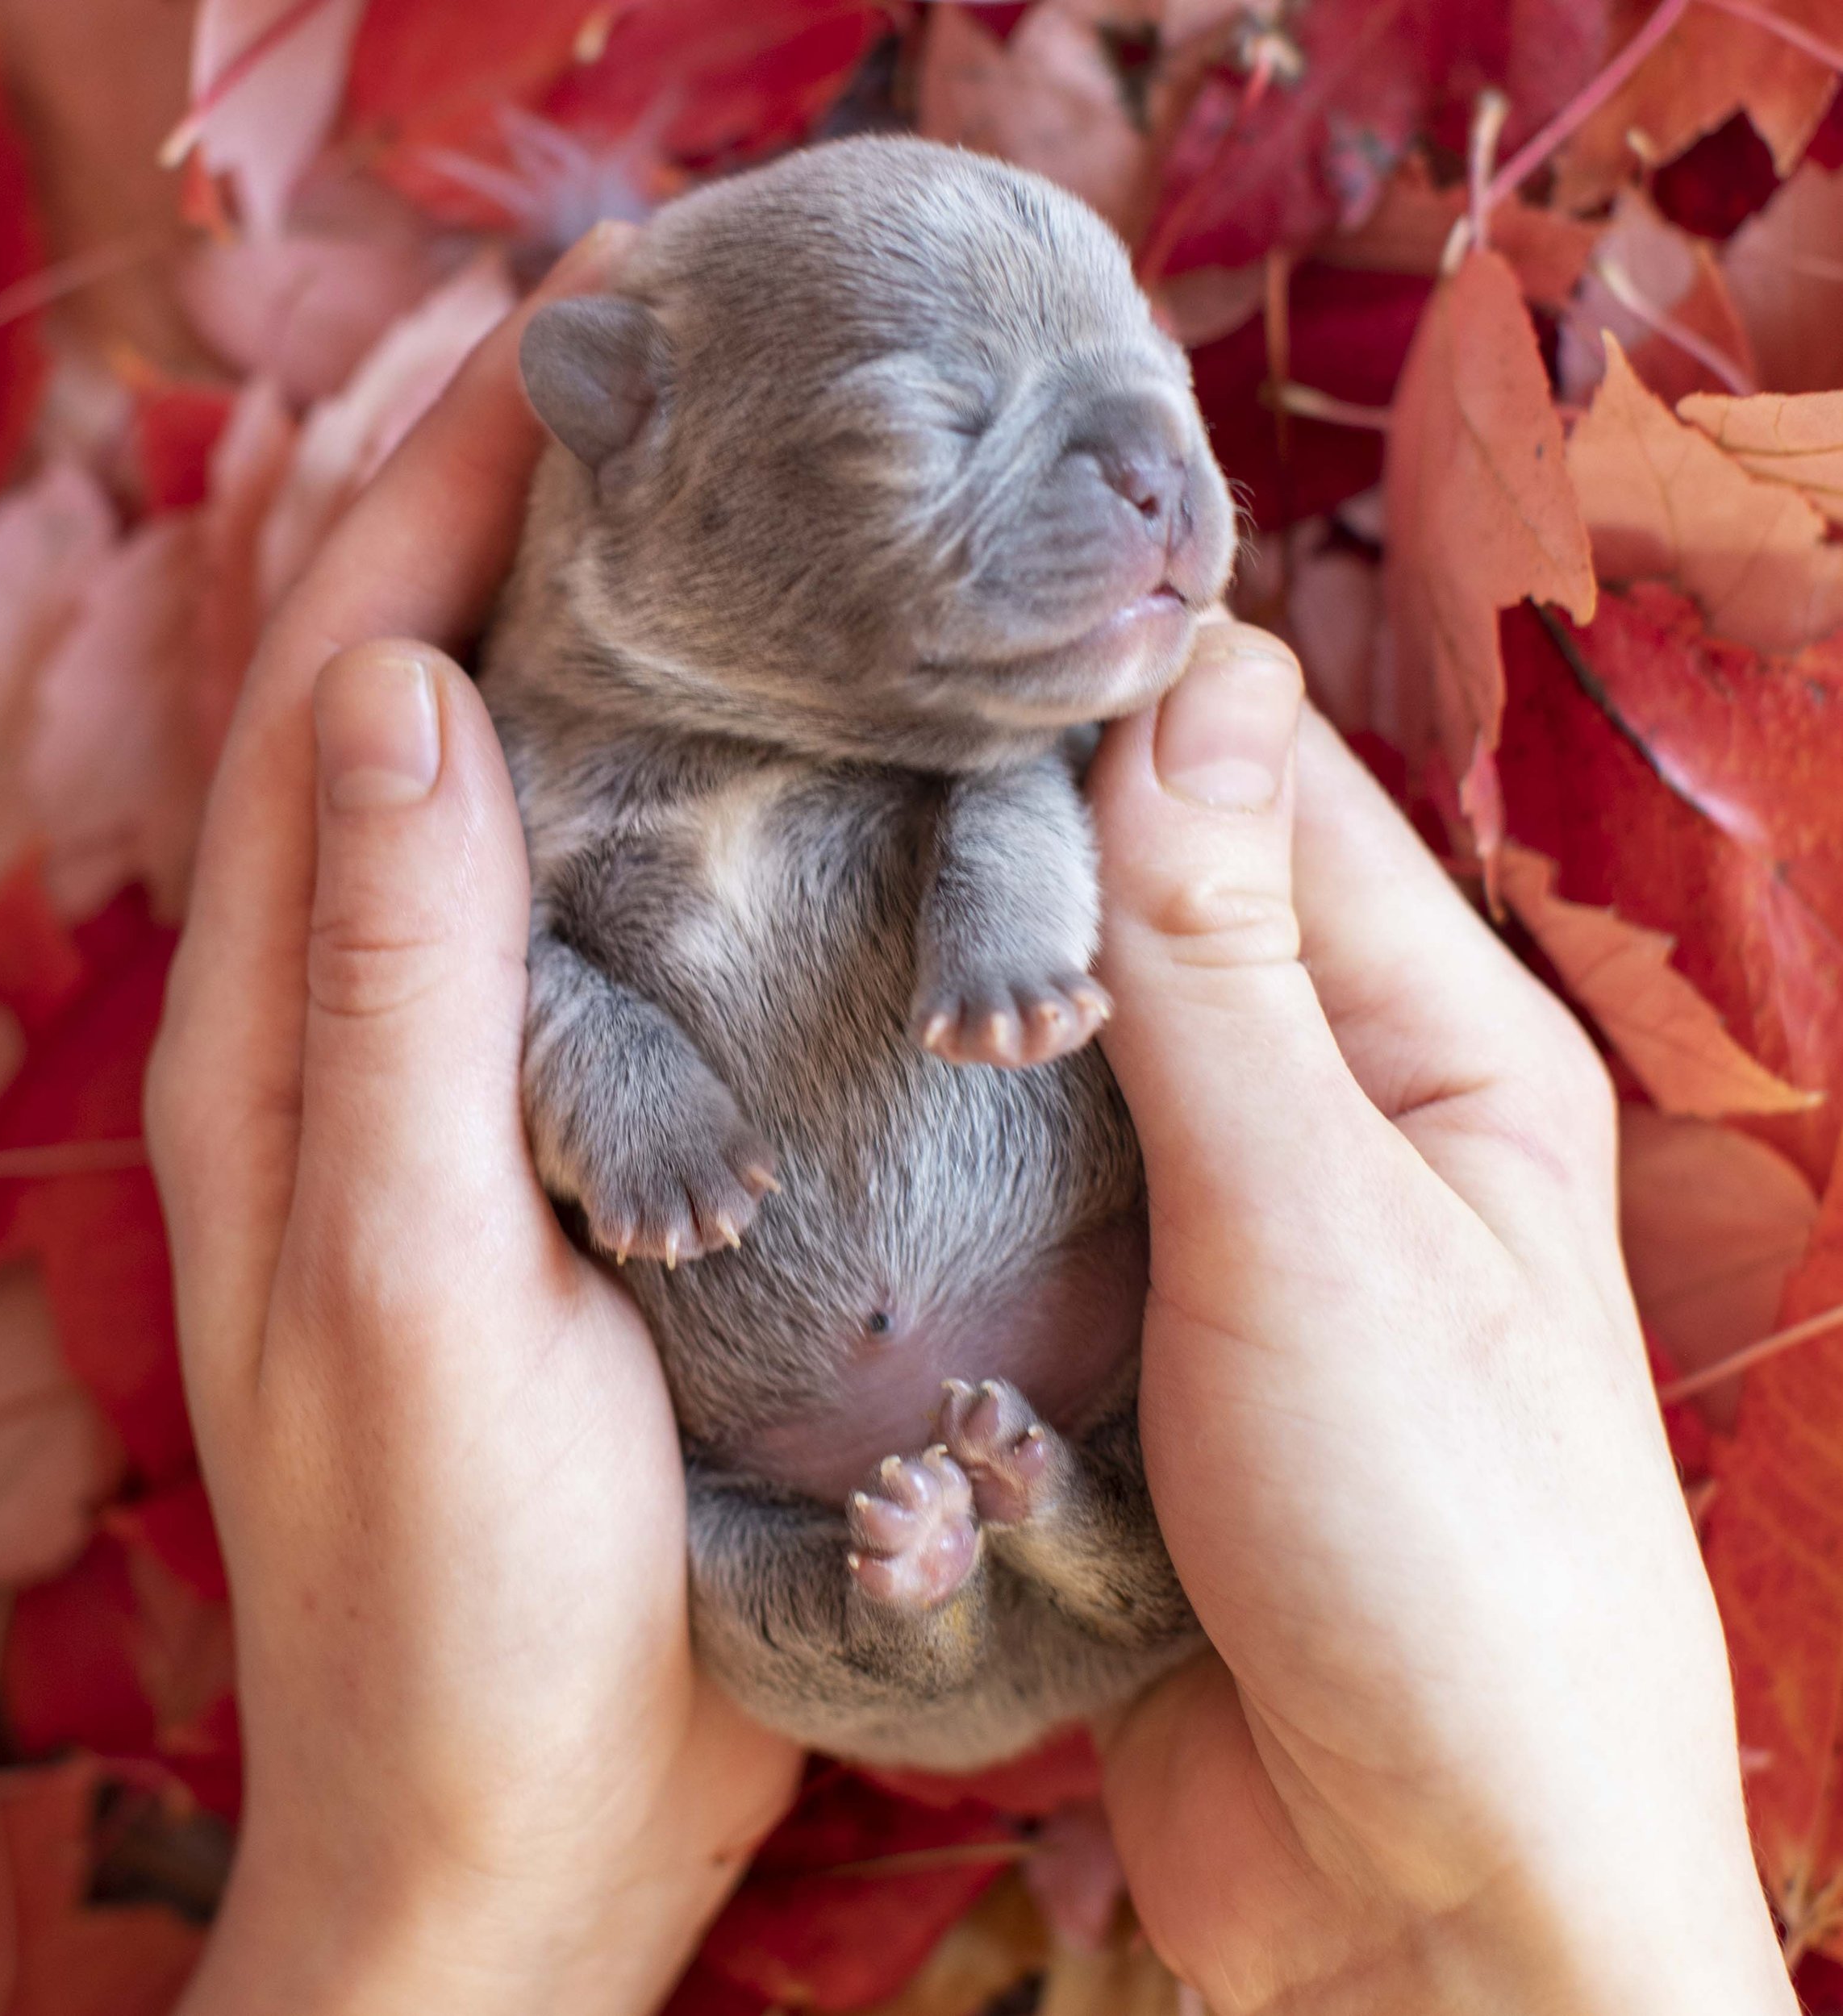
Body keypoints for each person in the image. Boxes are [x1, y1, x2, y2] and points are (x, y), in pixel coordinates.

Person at [147, 224, 1798, 2016]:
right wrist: (614, 1092)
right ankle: (946, 1565)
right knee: (770, 1599)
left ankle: (1059, 1517)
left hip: (1146, 1436)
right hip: (743, 1544)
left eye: (1147, 381)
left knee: (1130, 1534)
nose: (1155, 483)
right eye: (930, 432)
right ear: (629, 422)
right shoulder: (550, 752)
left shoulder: (982, 718)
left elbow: (1024, 806)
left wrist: (1007, 925)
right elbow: (512, 982)